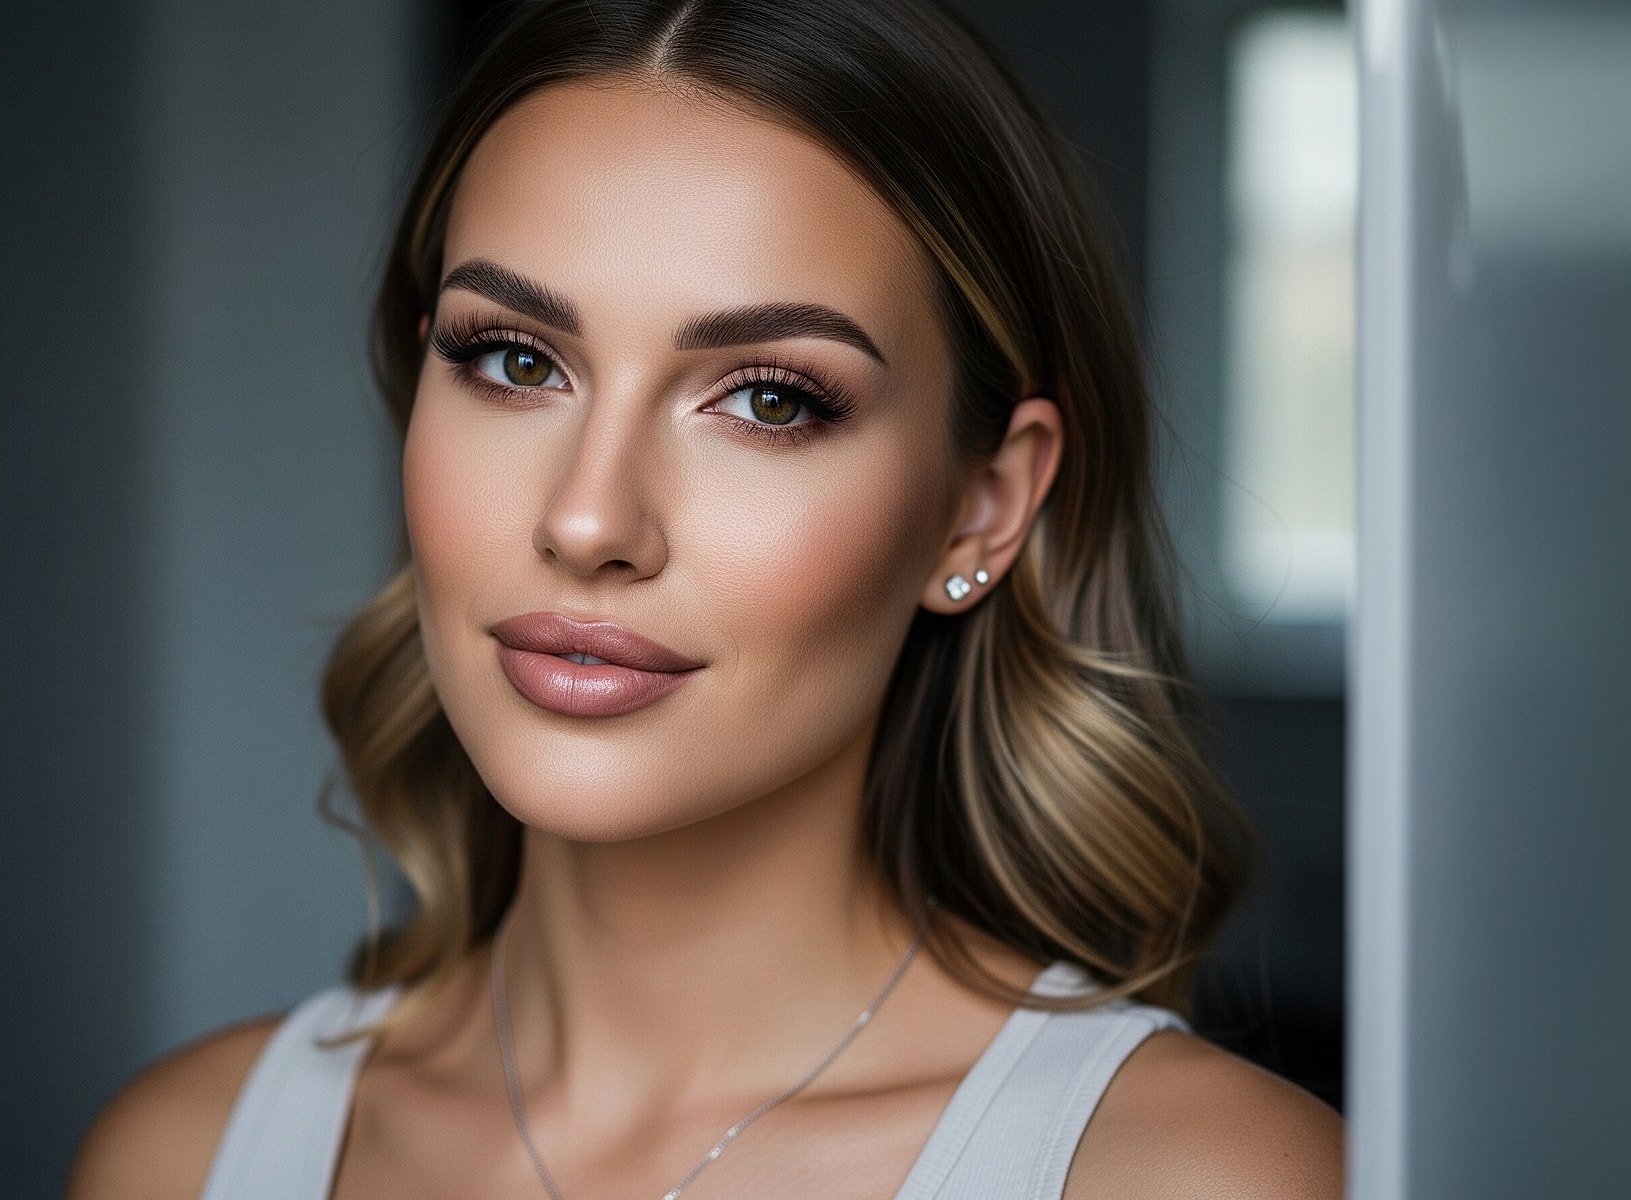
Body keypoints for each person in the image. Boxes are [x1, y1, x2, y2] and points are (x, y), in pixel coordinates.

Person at [68, 0, 1345, 1196]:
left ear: (982, 507)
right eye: (514, 362)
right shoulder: (184, 1156)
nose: (587, 522)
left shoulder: (1207, 1175)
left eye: (769, 400)